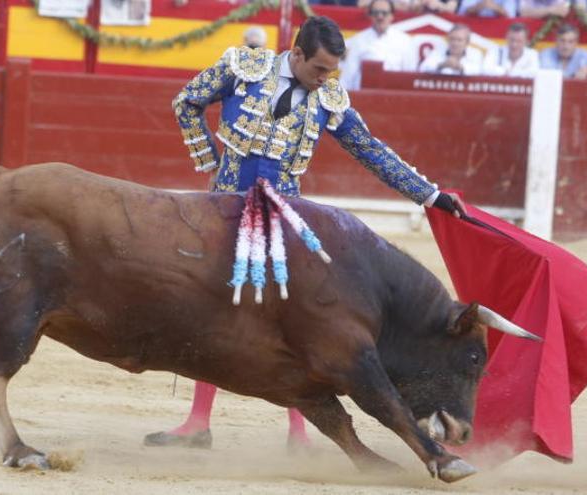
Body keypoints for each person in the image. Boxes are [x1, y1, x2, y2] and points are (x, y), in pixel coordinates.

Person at [146, 15, 466, 450]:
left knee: (298, 320)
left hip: (285, 220)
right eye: (318, 69)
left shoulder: (329, 98)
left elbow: (370, 150)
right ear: (295, 54)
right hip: (222, 213)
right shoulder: (243, 67)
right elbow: (187, 101)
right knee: (214, 310)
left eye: (331, 71)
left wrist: (429, 196)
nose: (324, 79)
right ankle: (198, 422)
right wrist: (207, 157)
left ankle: (300, 433)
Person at [339, 0, 416, 90]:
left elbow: (410, 76)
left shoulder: (405, 41)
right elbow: (348, 75)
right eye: (376, 13)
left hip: (395, 95)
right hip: (364, 95)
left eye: (384, 13)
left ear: (392, 16)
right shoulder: (359, 40)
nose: (380, 17)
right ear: (370, 16)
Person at [419, 23, 484, 75]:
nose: (455, 43)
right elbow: (422, 68)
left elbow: (480, 72)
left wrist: (460, 68)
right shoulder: (438, 51)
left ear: (467, 42)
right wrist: (441, 65)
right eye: (452, 39)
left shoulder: (476, 53)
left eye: (459, 40)